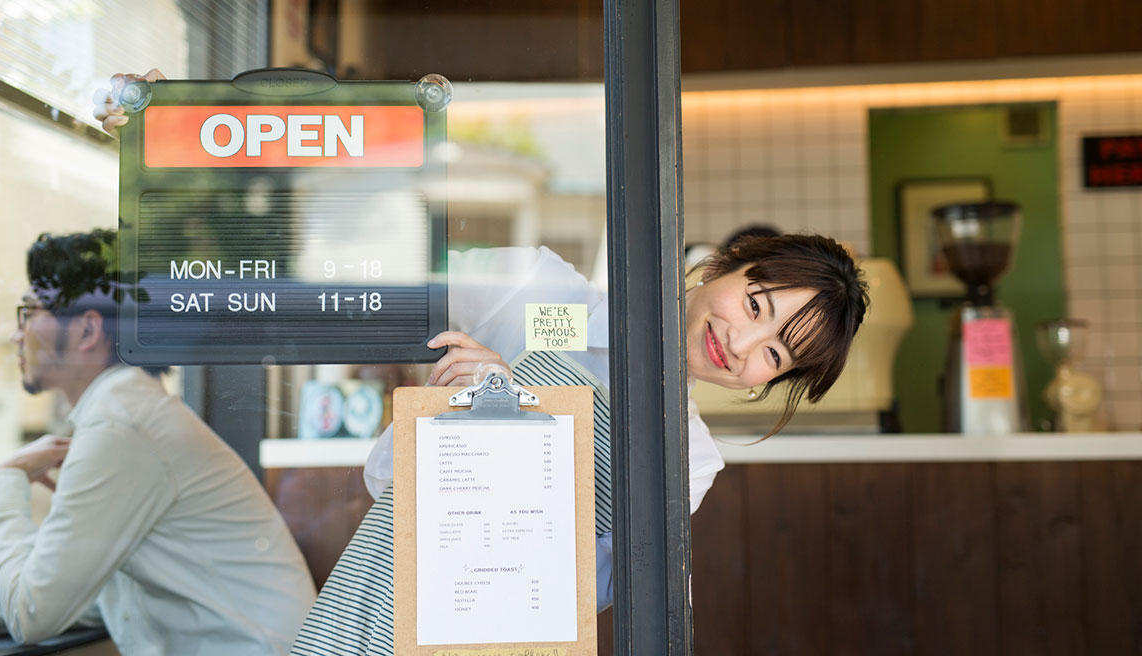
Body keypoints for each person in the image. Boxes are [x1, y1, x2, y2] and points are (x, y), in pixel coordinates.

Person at [94, 73, 868, 655]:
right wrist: (182, 147)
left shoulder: (690, 457)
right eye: (758, 307)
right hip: (385, 594)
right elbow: (364, 269)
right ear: (726, 266)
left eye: (774, 356)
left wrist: (510, 412)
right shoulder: (552, 301)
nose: (741, 345)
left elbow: (588, 586)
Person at [0, 230, 316, 654]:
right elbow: (79, 589)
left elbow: (30, 613)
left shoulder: (121, 426)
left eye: (29, 312)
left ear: (88, 330)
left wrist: (6, 478)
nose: (17, 335)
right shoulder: (125, 414)